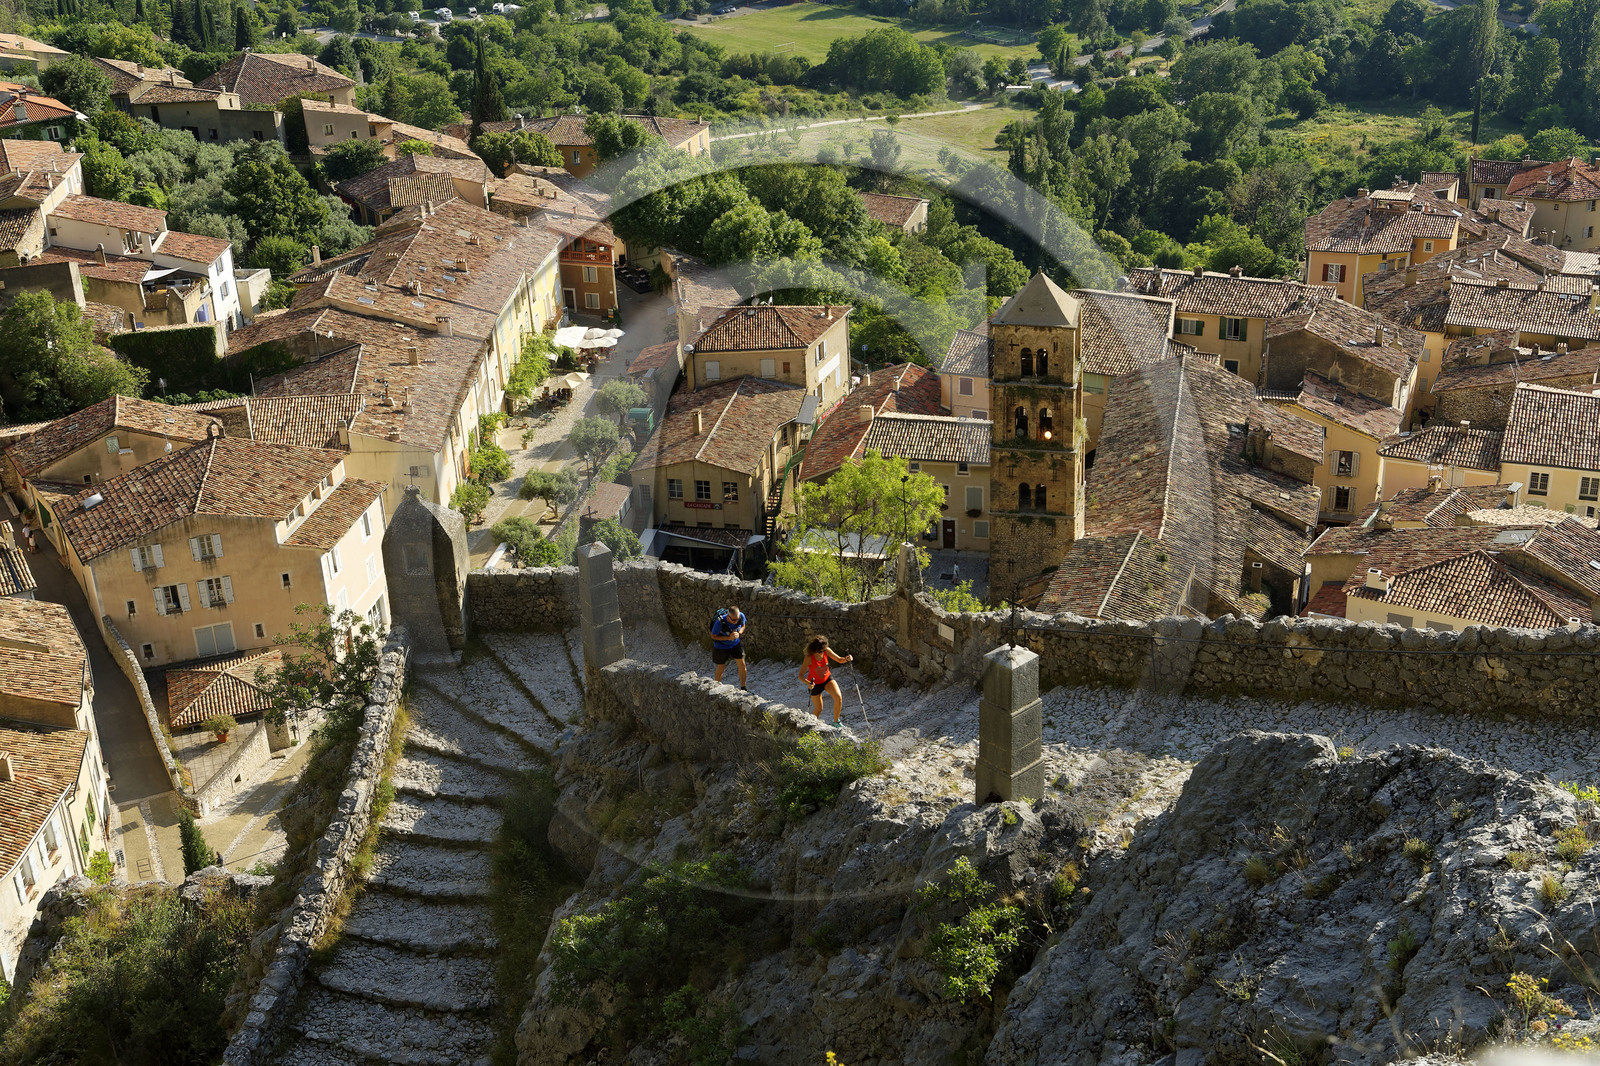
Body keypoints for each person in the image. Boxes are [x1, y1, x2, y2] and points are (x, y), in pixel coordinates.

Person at [800, 635, 853, 725]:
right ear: (814, 650)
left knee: (838, 697)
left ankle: (836, 722)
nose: (821, 653)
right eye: (819, 652)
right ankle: (810, 725)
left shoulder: (826, 650)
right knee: (819, 709)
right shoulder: (809, 657)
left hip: (827, 679)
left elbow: (840, 660)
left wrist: (847, 659)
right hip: (814, 684)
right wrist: (808, 683)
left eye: (822, 651)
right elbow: (800, 675)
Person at [711, 602, 748, 690]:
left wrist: (739, 633)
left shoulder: (741, 616)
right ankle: (717, 687)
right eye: (733, 620)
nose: (735, 621)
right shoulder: (719, 622)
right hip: (721, 646)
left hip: (735, 644)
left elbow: (743, 625)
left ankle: (743, 688)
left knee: (742, 665)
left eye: (737, 619)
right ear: (728, 617)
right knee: (721, 667)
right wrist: (728, 637)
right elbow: (713, 636)